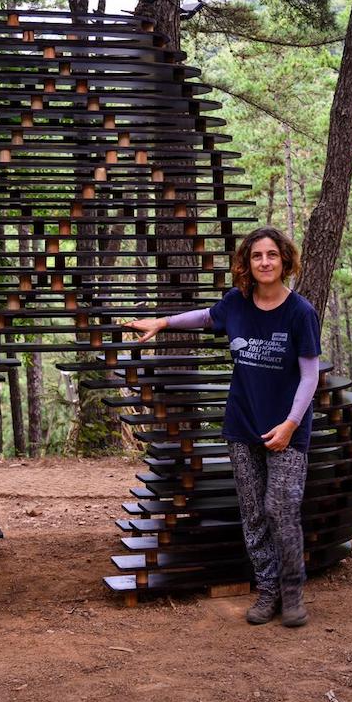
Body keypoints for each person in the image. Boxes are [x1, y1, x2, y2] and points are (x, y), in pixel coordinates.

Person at [124, 225, 321, 627]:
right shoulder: (237, 303)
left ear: (284, 260)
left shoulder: (301, 312)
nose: (264, 262)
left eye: (271, 255)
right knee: (252, 514)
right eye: (256, 256)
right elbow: (203, 317)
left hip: (287, 432)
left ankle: (292, 593)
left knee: (280, 510)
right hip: (242, 428)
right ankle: (267, 593)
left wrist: (289, 425)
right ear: (247, 264)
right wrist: (161, 323)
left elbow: (310, 376)